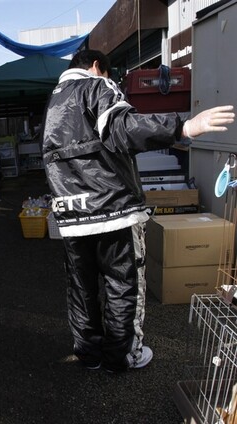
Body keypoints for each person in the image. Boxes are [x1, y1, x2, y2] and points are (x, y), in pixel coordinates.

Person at [41, 49, 234, 373]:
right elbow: (122, 127)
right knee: (122, 284)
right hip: (112, 209)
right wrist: (183, 127)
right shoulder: (96, 86)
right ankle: (122, 356)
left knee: (82, 290)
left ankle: (90, 355)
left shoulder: (54, 103)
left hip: (71, 216)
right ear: (96, 66)